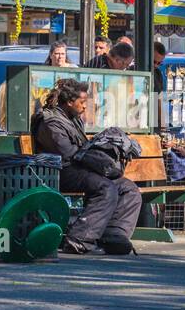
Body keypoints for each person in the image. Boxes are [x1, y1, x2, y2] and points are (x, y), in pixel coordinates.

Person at [33, 78, 142, 255]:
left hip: (78, 169)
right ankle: (79, 239)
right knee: (105, 188)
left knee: (128, 188)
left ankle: (114, 234)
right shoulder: (50, 121)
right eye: (82, 102)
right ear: (69, 102)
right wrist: (94, 155)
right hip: (60, 172)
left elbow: (81, 151)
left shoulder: (73, 119)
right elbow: (67, 154)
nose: (85, 107)